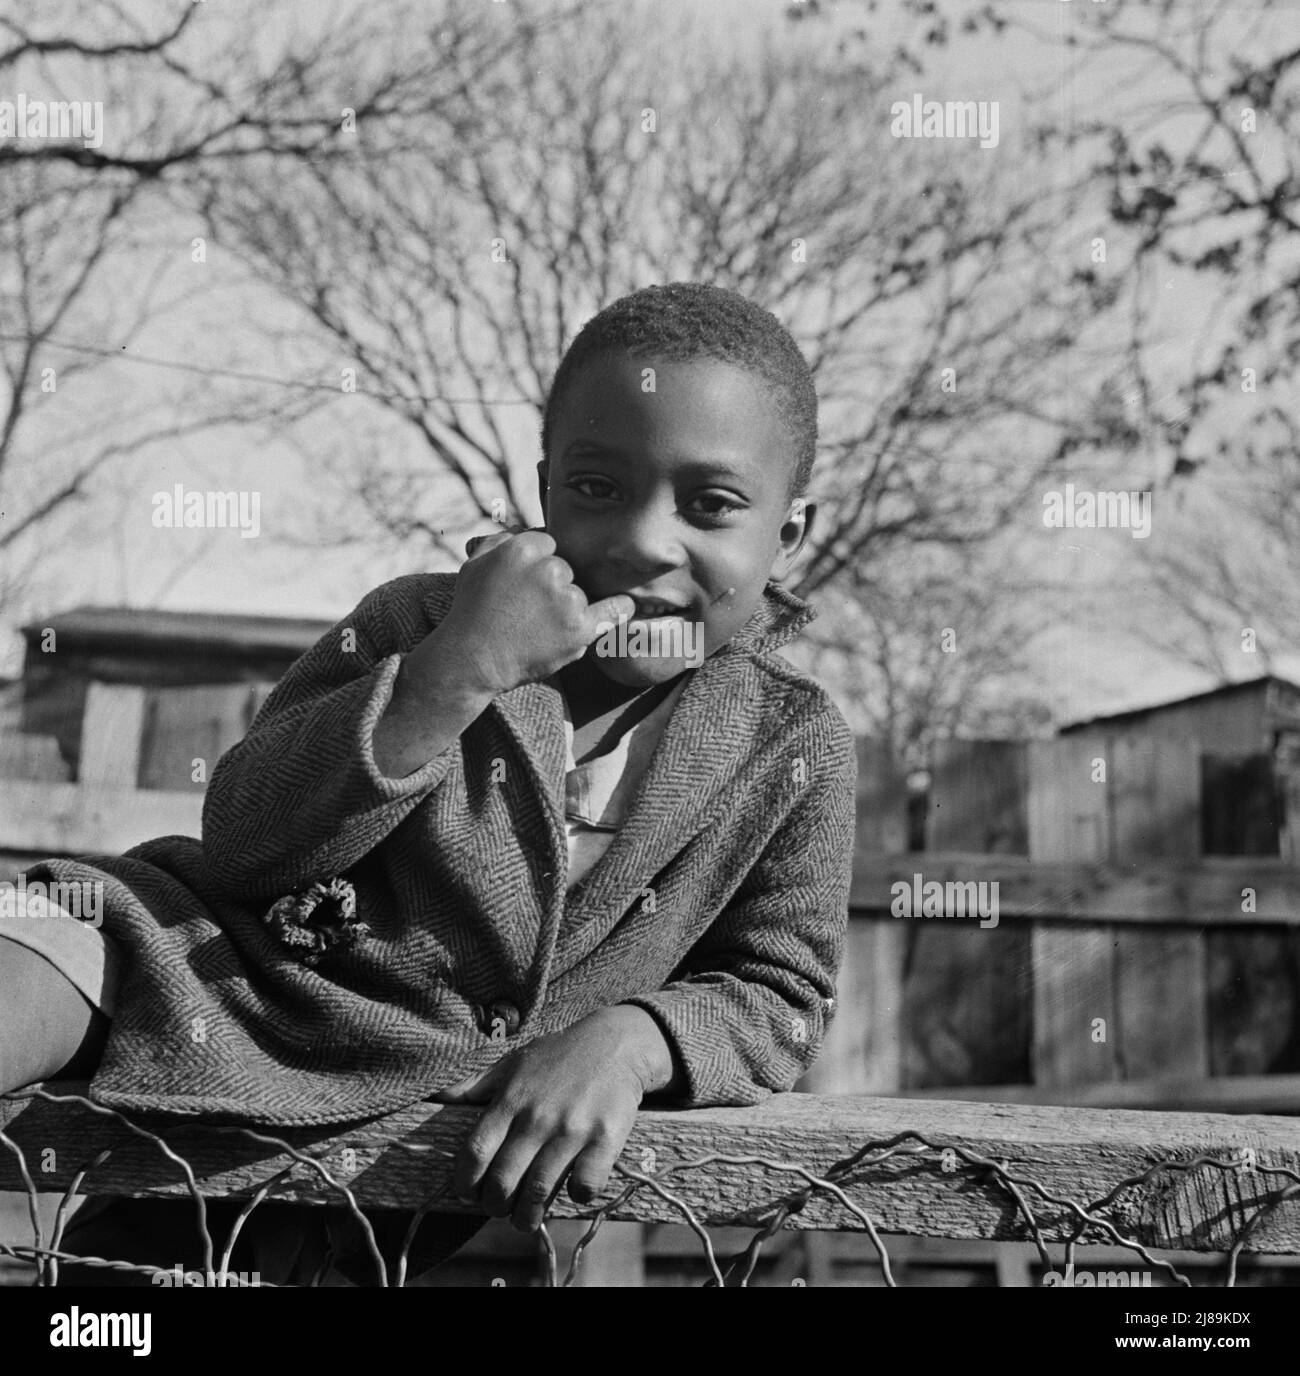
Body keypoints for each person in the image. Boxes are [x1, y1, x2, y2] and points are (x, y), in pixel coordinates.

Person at [0, 282, 856, 1281]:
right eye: (596, 487)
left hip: (459, 1150)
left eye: (710, 504)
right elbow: (247, 838)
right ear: (544, 490)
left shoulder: (792, 744)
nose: (644, 540)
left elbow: (778, 990)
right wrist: (456, 671)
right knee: (45, 955)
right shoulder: (421, 621)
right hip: (237, 985)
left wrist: (634, 1039)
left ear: (788, 531)